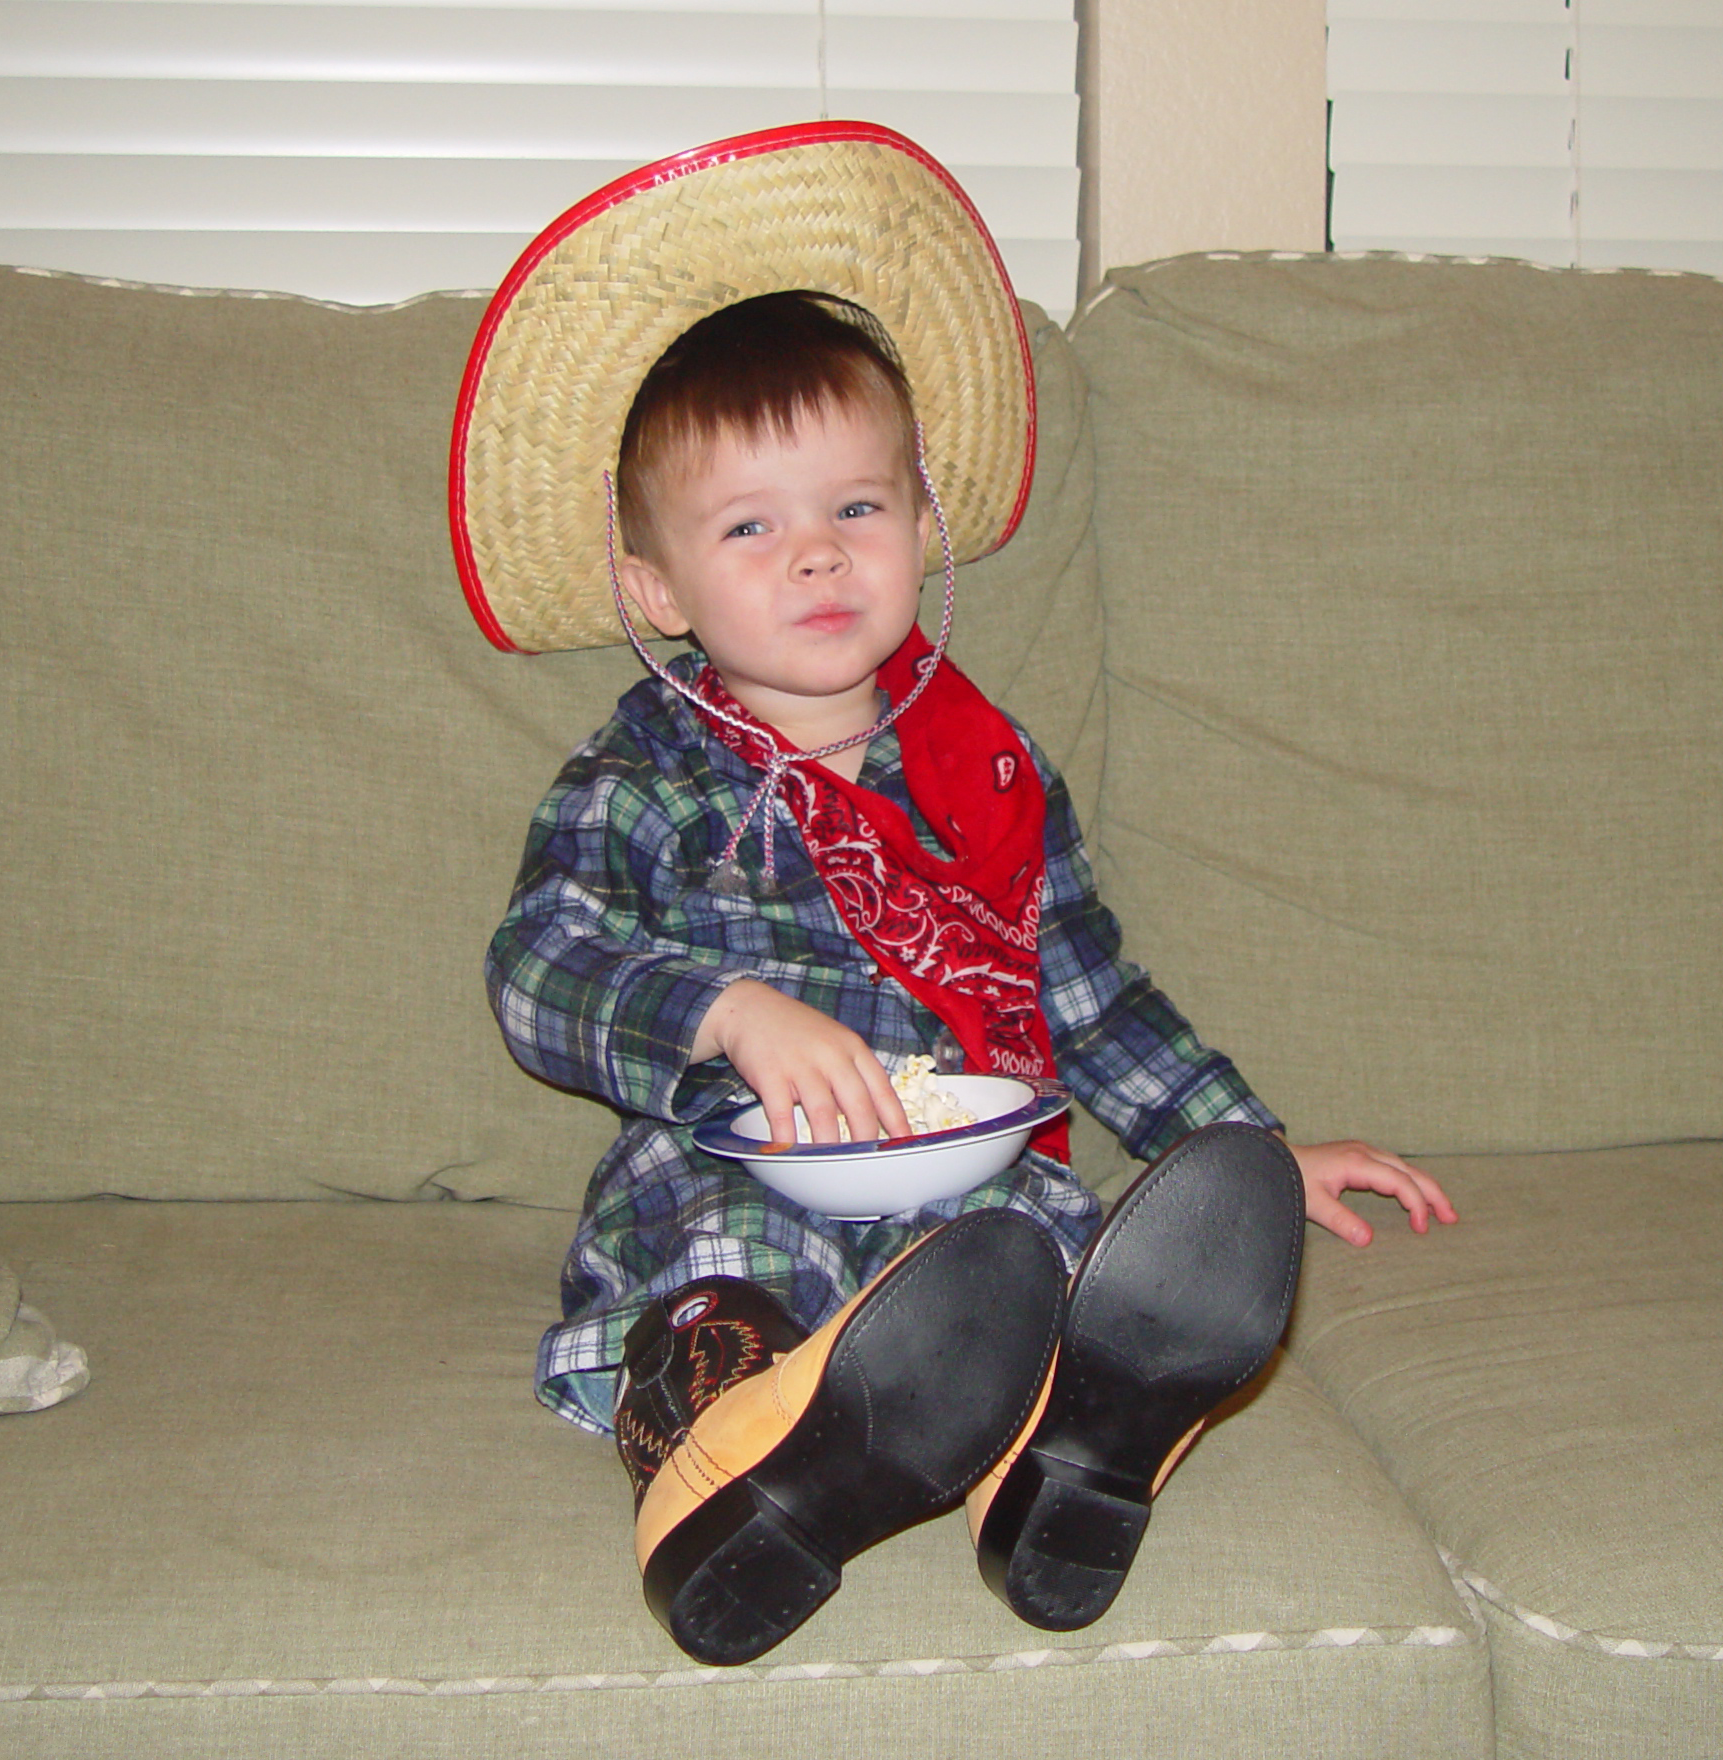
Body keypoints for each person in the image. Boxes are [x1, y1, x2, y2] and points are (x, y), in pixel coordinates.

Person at [450, 124, 1453, 1668]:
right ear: (656, 593)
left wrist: (1243, 1145)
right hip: (742, 1174)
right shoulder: (642, 775)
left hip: (954, 1195)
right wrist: (728, 1010)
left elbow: (1091, 995)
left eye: (856, 509)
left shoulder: (985, 772)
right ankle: (744, 1473)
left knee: (1038, 1254)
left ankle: (1056, 1467)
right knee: (723, 1272)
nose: (815, 558)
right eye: (748, 529)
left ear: (923, 524)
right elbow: (539, 964)